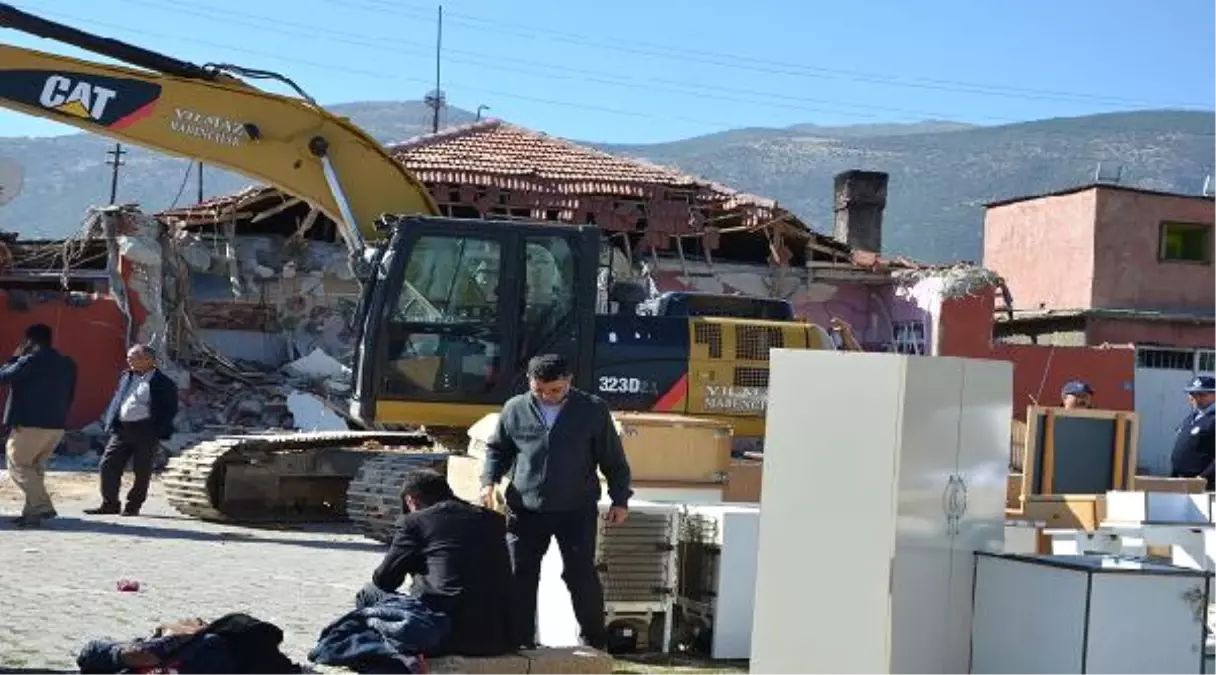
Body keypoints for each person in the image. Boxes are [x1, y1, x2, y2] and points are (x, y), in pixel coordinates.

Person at [480, 353, 633, 650]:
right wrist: (489, 482)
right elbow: (497, 449)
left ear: (569, 382)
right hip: (525, 508)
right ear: (529, 382)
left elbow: (614, 460)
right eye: (540, 390)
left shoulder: (593, 410)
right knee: (519, 573)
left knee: (580, 574)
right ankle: (519, 639)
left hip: (576, 507)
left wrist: (620, 499)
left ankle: (594, 638)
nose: (548, 396)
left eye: (555, 390)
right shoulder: (515, 408)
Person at [356, 468, 514, 658]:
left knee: (368, 593)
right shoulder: (493, 519)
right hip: (497, 637)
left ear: (411, 500)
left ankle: (377, 654)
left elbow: (385, 580)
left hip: (442, 636)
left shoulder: (414, 522)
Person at [86, 344, 179, 517]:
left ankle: (133, 506)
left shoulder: (163, 382)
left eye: (133, 357)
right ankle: (110, 503)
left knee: (142, 469)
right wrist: (111, 420)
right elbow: (119, 398)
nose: (129, 360)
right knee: (108, 465)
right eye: (128, 357)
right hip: (122, 429)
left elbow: (169, 409)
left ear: (148, 360)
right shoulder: (126, 376)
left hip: (146, 430)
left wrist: (158, 429)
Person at [0, 323, 77, 527]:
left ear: (29, 341)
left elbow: (3, 377)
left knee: (18, 465)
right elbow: (71, 394)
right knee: (35, 469)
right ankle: (31, 515)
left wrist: (15, 358)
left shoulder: (29, 361)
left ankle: (42, 506)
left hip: (29, 424)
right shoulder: (67, 363)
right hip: (56, 425)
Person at [1170, 376, 1216, 489]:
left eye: (1202, 395)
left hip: (1204, 485)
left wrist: (1204, 478)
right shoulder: (1191, 418)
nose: (1196, 398)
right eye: (1192, 394)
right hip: (1181, 481)